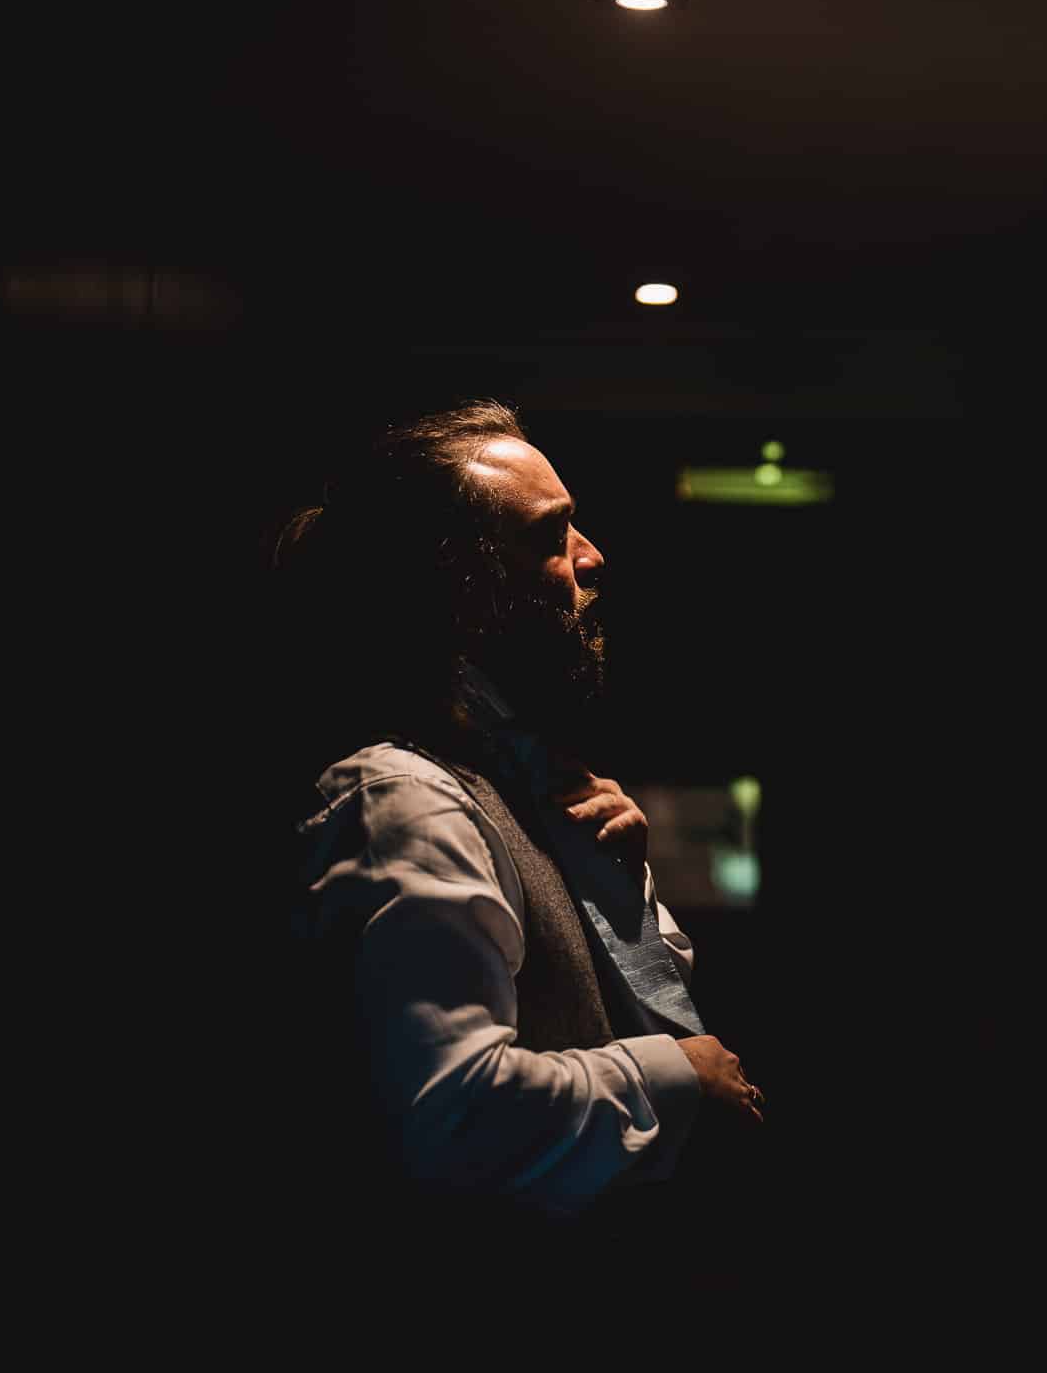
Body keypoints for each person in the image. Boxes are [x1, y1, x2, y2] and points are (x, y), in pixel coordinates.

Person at [273, 400, 766, 1242]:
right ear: (462, 589)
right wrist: (672, 1076)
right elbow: (451, 1116)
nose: (592, 554)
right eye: (551, 533)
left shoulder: (514, 782)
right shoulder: (403, 799)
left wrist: (616, 893)